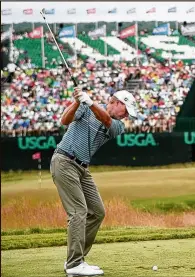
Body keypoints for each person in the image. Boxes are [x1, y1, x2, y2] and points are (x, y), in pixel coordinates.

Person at [50, 88, 137, 276]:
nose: (127, 116)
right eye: (127, 110)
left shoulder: (118, 126)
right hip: (64, 161)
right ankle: (74, 264)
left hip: (82, 168)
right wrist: (77, 101)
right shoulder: (85, 107)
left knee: (97, 212)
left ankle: (77, 259)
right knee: (78, 211)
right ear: (117, 103)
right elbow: (64, 121)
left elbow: (106, 120)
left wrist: (89, 102)